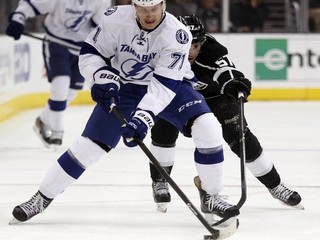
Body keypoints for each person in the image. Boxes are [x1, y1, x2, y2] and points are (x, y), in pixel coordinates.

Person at [10, 0, 245, 225]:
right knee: (88, 147)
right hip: (126, 86)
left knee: (208, 126)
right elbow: (91, 52)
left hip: (170, 85)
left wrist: (142, 118)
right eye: (143, 9)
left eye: (154, 8)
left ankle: (212, 195)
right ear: (134, 7)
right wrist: (102, 77)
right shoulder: (115, 19)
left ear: (163, 5)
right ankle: (41, 198)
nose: (149, 15)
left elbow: (163, 86)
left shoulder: (177, 34)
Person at [149, 14, 303, 212]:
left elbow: (226, 70)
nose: (190, 52)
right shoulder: (160, 47)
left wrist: (233, 82)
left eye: (195, 45)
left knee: (241, 138)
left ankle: (275, 186)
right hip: (176, 95)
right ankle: (160, 181)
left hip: (215, 98)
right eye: (186, 44)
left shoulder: (212, 50)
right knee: (163, 132)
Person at [5, 0, 111, 148]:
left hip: (82, 49)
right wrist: (18, 18)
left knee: (71, 93)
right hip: (56, 43)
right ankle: (57, 133)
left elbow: (104, 25)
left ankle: (43, 120)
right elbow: (30, 4)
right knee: (60, 86)